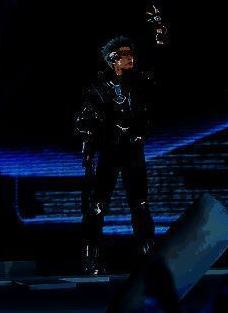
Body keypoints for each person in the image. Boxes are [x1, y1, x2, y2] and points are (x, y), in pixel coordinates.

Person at [75, 35, 159, 275]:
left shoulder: (140, 84)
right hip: (109, 152)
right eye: (124, 54)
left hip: (133, 152)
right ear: (113, 59)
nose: (130, 58)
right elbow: (83, 121)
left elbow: (158, 67)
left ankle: (147, 251)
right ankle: (92, 256)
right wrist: (95, 140)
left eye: (131, 53)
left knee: (140, 203)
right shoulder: (97, 88)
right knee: (97, 205)